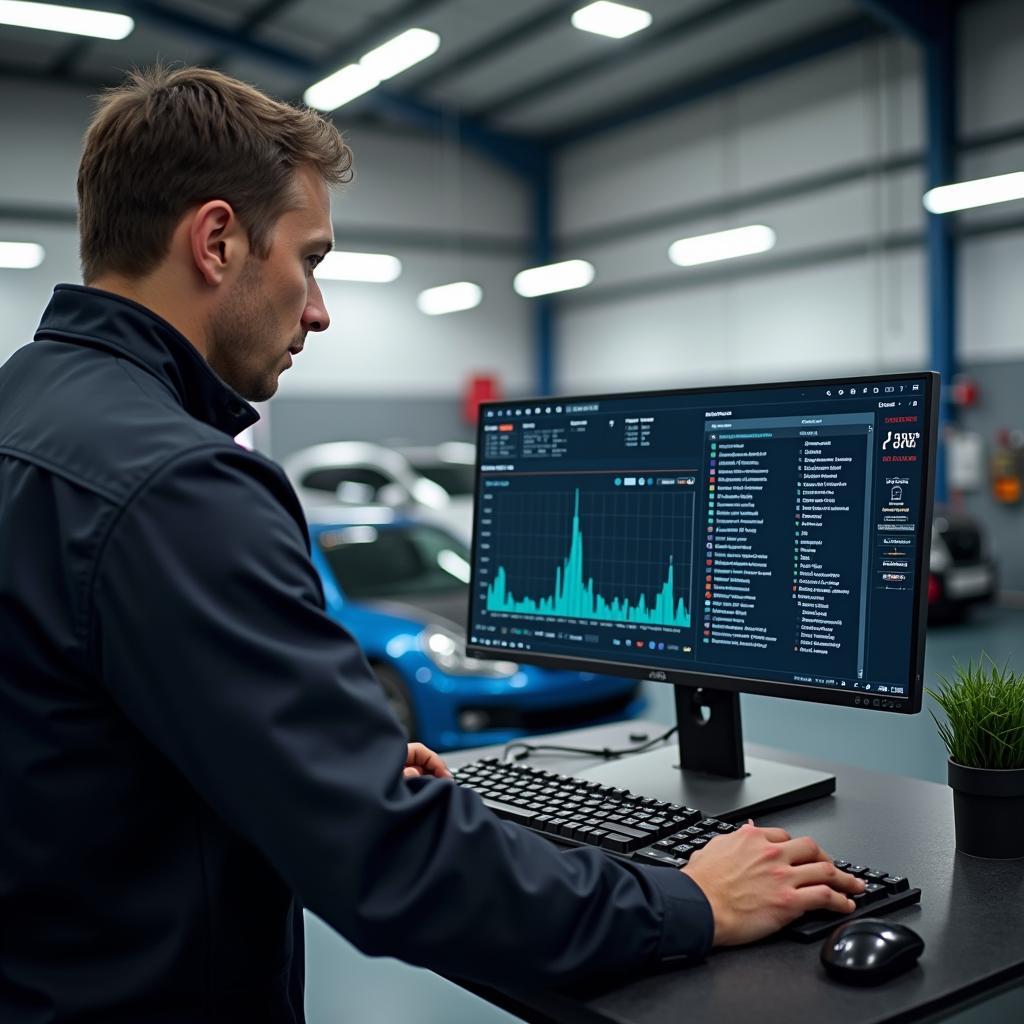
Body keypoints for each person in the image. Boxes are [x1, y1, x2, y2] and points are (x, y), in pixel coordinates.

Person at [0, 66, 864, 1022]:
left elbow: (77, 748)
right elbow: (387, 864)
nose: (319, 309)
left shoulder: (24, 413)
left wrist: (316, 764)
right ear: (216, 240)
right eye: (312, 258)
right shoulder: (179, 485)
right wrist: (689, 902)